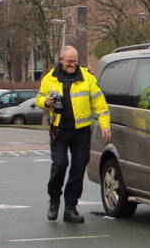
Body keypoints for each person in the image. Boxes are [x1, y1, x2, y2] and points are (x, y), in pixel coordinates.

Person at [36, 46, 111, 222]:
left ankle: (70, 208)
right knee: (60, 164)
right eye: (69, 61)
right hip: (59, 130)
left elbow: (100, 103)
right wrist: (46, 102)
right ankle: (54, 200)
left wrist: (105, 125)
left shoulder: (87, 77)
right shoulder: (49, 78)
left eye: (75, 61)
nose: (73, 65)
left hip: (81, 131)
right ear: (61, 60)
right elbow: (39, 99)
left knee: (78, 169)